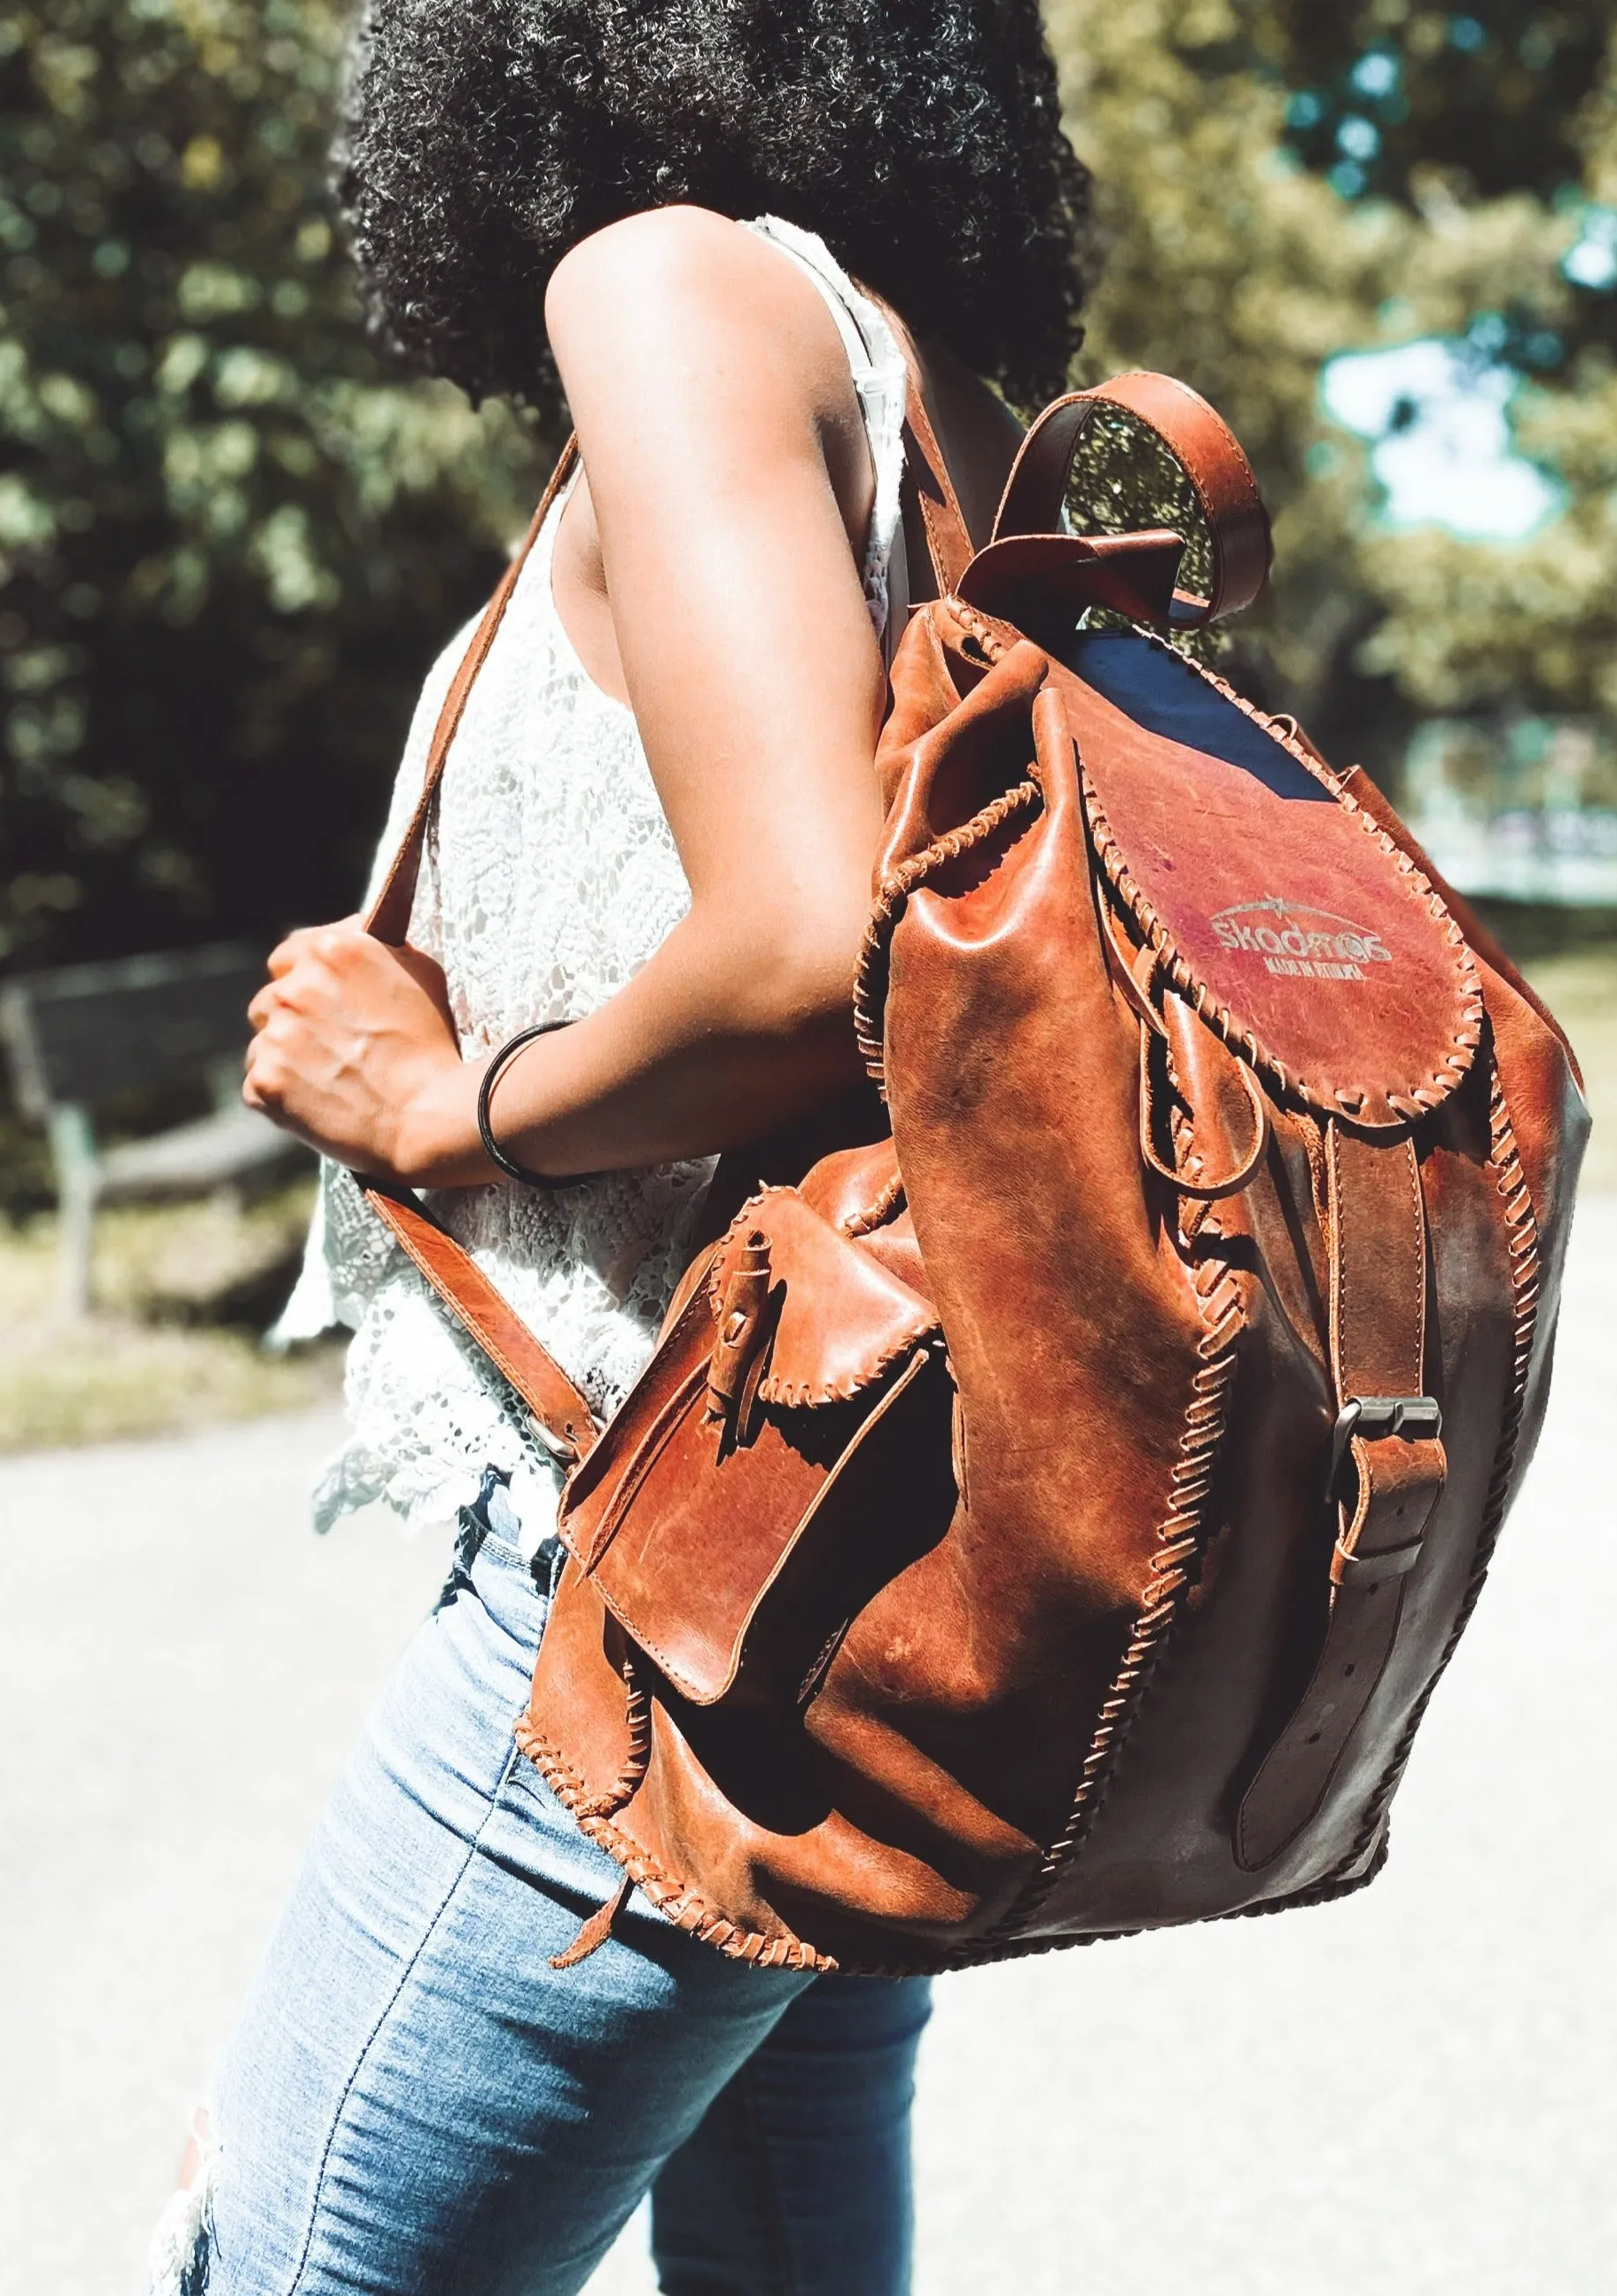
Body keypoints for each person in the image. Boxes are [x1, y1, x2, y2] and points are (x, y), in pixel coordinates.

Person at [151, 7, 1088, 2291]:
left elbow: (794, 948)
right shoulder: (924, 385)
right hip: (863, 1564)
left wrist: (439, 1106)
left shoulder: (671, 286)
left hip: (653, 1569)